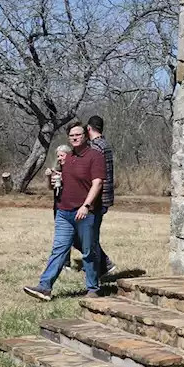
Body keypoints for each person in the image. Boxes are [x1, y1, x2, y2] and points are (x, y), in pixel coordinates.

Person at [23, 122, 105, 301]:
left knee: (88, 251)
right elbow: (55, 187)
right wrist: (50, 179)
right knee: (59, 250)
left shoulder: (95, 156)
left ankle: (93, 289)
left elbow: (97, 183)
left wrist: (86, 205)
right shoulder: (67, 158)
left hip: (85, 213)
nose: (75, 138)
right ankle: (44, 287)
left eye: (78, 134)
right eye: (72, 136)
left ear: (85, 135)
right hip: (64, 212)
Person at [83, 115, 117, 277]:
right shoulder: (106, 145)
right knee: (91, 233)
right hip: (106, 197)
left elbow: (93, 175)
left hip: (97, 198)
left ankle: (103, 265)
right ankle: (101, 265)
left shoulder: (95, 147)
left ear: (89, 128)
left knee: (88, 234)